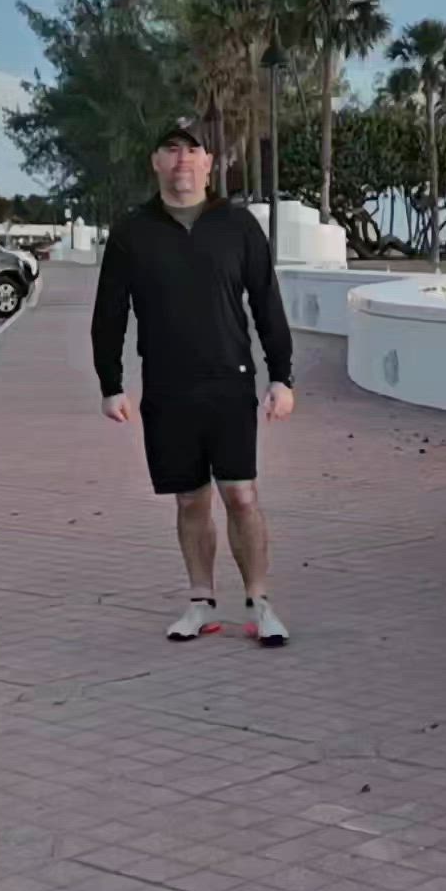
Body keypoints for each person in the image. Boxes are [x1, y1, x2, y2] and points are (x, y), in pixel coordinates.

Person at [92, 118, 295, 646]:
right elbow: (109, 313)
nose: (182, 159)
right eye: (171, 150)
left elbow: (267, 303)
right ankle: (201, 603)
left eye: (193, 150)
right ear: (156, 162)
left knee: (242, 495)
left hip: (230, 383)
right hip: (166, 388)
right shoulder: (133, 231)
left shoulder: (238, 226)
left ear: (210, 162)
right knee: (190, 501)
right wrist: (110, 384)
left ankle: (259, 603)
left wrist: (282, 376)